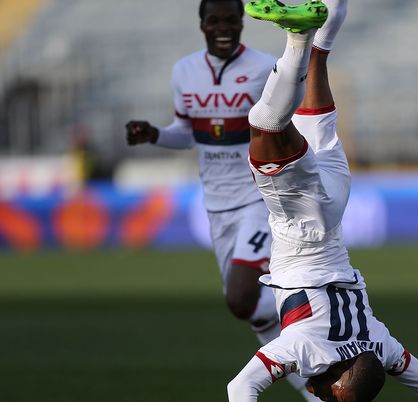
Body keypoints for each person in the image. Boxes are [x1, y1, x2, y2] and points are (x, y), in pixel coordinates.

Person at [227, 0, 418, 400]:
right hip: (303, 221)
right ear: (340, 377)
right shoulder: (306, 349)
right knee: (265, 123)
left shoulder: (380, 346)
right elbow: (240, 387)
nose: (328, 399)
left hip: (335, 201)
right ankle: (295, 37)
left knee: (319, 59)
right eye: (335, 397)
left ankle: (317, 26)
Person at [124, 1, 319, 399]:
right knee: (253, 312)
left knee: (240, 296)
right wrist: (154, 135)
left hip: (258, 197)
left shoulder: (265, 67)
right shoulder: (184, 71)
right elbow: (187, 131)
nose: (224, 27)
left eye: (232, 20)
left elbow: (288, 126)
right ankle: (318, 387)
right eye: (215, 20)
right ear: (202, 25)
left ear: (242, 22)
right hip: (216, 206)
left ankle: (314, 314)